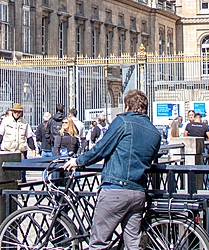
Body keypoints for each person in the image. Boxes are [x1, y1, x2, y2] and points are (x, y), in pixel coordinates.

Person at [64, 90, 162, 250]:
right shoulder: (154, 132)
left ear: (127, 106)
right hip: (138, 193)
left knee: (99, 243)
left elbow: (101, 149)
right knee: (132, 245)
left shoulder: (122, 122)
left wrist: (78, 160)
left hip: (116, 189)